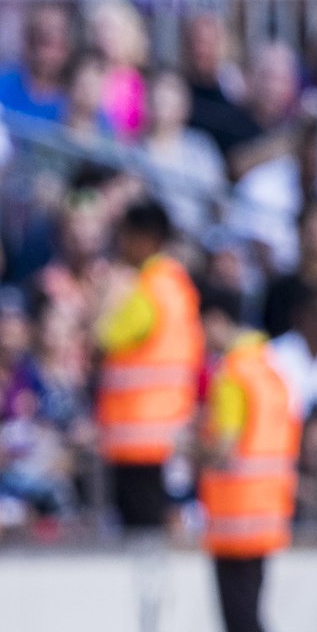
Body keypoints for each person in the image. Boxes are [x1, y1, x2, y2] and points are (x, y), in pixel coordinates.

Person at [196, 285, 301, 632]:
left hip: (234, 521)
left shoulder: (232, 374)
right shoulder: (271, 370)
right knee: (254, 627)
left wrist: (189, 446)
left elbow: (224, 446)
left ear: (217, 319)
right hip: (268, 515)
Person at [94, 198, 203, 532]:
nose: (120, 245)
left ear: (146, 238)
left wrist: (108, 295)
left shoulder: (145, 289)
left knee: (141, 535)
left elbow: (104, 337)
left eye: (125, 236)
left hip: (136, 438)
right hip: (169, 430)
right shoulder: (177, 285)